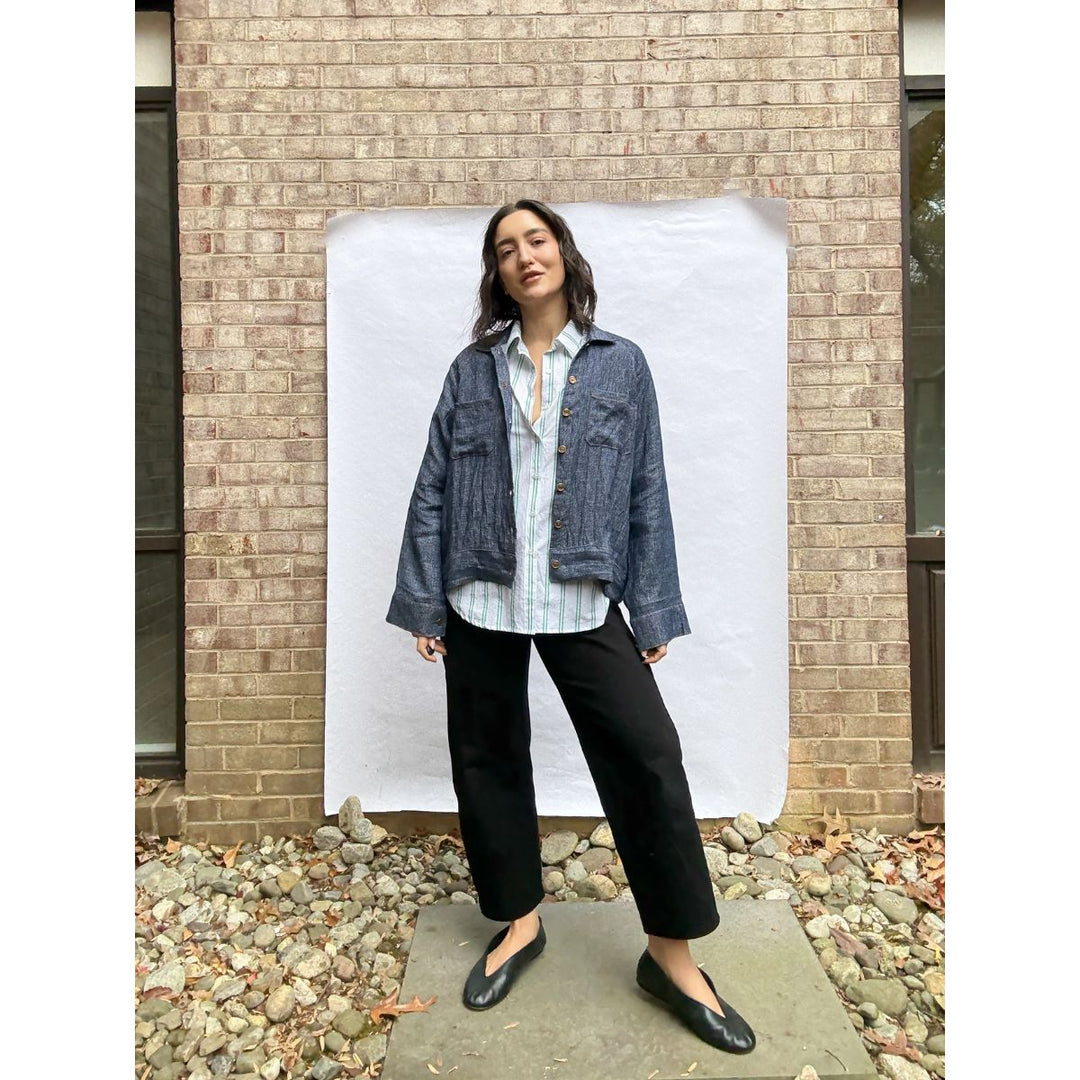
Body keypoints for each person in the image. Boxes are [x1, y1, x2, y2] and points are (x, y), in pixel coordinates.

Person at [385, 199, 755, 1054]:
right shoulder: (472, 370)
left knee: (646, 754)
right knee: (487, 759)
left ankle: (670, 956)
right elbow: (434, 483)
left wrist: (652, 605)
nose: (524, 256)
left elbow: (646, 492)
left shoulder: (622, 367)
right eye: (506, 248)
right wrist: (424, 598)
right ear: (497, 272)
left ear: (563, 253)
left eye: (537, 240)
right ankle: (520, 922)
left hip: (580, 597)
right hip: (481, 595)